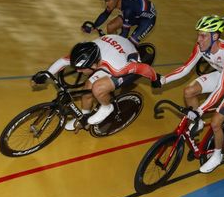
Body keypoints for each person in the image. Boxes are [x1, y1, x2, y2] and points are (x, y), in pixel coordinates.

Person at [156, 15, 224, 173]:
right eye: (198, 34)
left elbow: (221, 89)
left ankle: (217, 155)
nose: (199, 39)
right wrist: (163, 80)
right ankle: (198, 122)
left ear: (215, 36)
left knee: (215, 123)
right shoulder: (201, 46)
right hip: (223, 74)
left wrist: (200, 110)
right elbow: (186, 68)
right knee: (189, 91)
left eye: (203, 35)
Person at [31, 34, 161, 130]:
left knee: (98, 88)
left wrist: (155, 80)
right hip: (112, 49)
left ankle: (107, 107)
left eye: (81, 70)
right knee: (88, 87)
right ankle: (83, 119)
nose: (79, 72)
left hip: (126, 63)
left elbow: (146, 68)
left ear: (93, 66)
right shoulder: (87, 52)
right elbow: (62, 62)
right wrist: (43, 77)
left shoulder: (117, 67)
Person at [82, 0, 157, 46]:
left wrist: (113, 44)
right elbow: (105, 14)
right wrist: (94, 27)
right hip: (135, 13)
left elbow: (124, 35)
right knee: (111, 27)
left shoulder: (128, 9)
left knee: (130, 43)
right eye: (105, 0)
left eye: (108, 0)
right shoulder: (115, 0)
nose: (106, 4)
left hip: (147, 19)